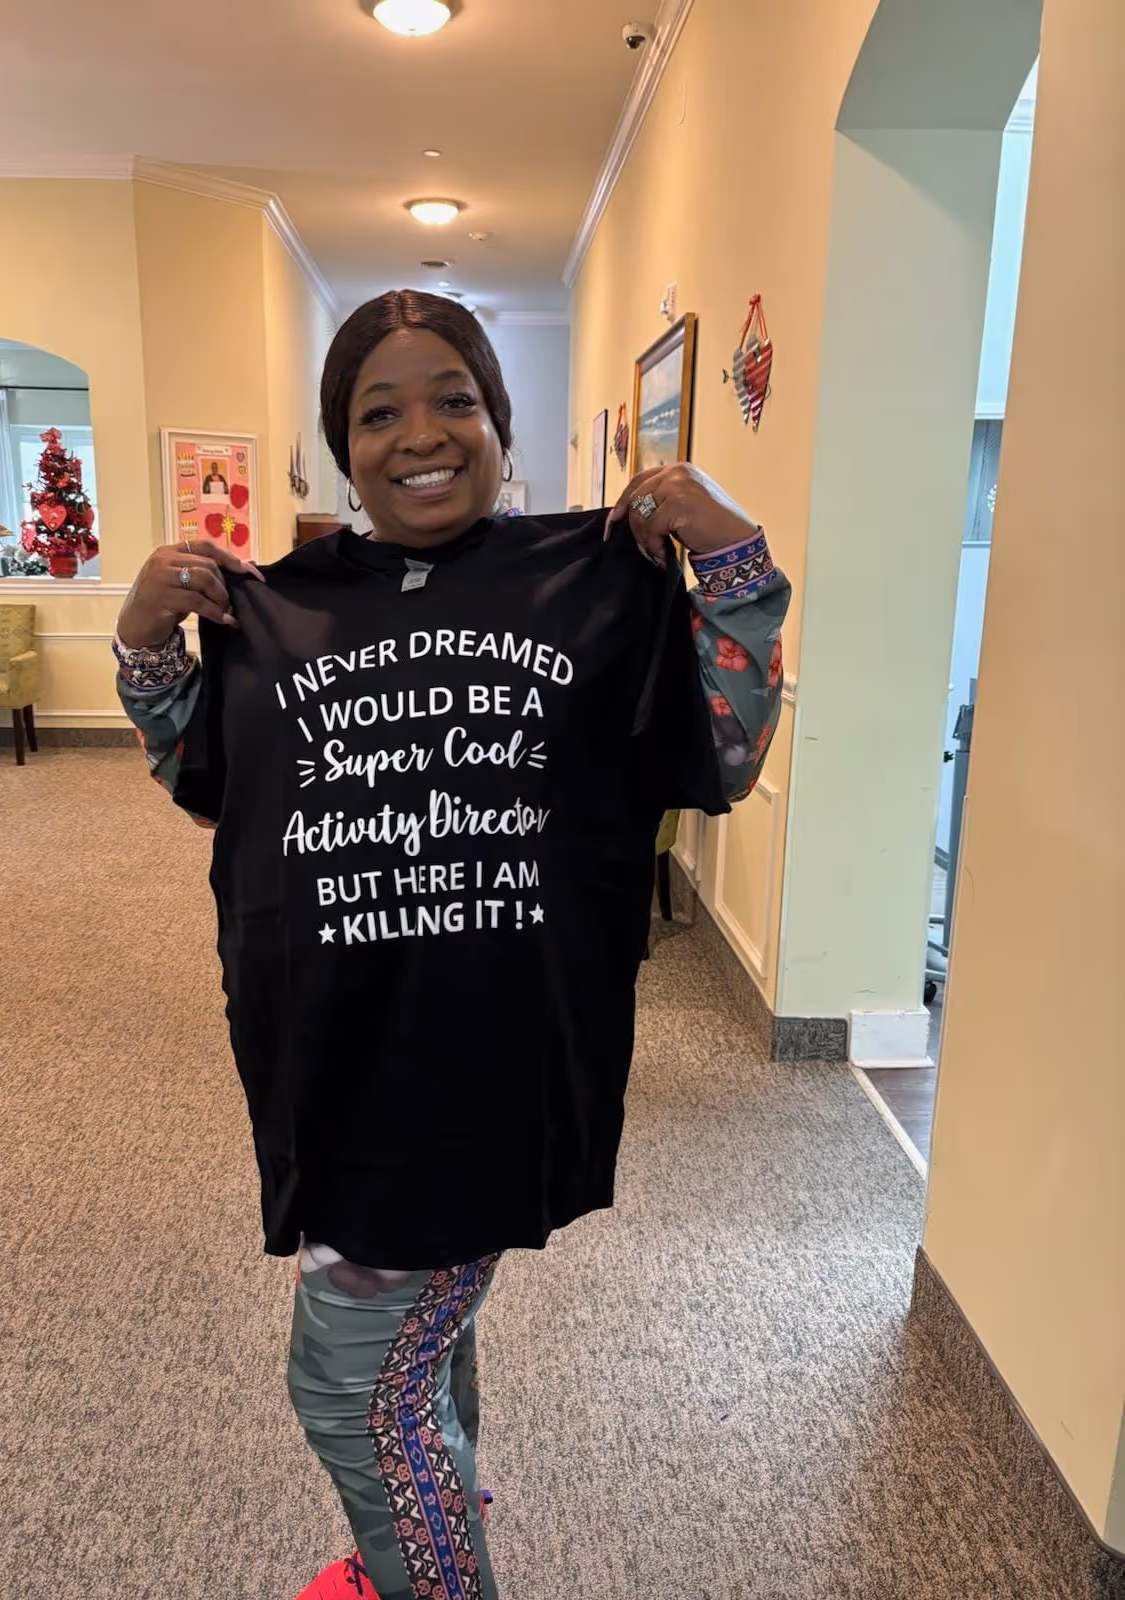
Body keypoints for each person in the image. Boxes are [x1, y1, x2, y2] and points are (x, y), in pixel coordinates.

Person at [112, 290, 789, 1600]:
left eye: (455, 398)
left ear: (498, 419)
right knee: (414, 1357)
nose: (422, 432)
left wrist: (735, 557)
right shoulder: (282, 608)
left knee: (350, 1389)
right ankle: (429, 1519)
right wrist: (144, 639)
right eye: (378, 410)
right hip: (336, 1057)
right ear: (341, 444)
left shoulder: (590, 592)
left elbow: (721, 748)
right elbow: (210, 772)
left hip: (478, 1073)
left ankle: (424, 1560)